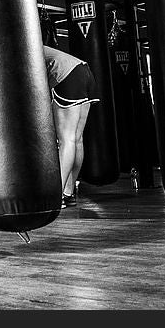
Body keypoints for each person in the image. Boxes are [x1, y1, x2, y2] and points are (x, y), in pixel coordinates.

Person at [44, 45, 99, 208]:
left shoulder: (19, 44)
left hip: (67, 75)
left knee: (66, 140)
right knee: (76, 139)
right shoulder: (30, 40)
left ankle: (55, 196)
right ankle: (68, 193)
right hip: (85, 72)